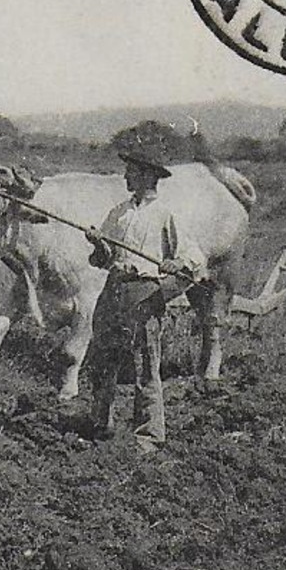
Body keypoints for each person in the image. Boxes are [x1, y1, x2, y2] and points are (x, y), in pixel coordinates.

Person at [84, 148, 204, 451]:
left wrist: (177, 264)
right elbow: (102, 259)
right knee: (102, 361)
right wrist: (99, 243)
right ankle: (101, 425)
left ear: (147, 176)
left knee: (144, 366)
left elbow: (193, 256)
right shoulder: (118, 212)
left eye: (131, 171)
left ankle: (148, 437)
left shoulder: (166, 214)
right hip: (113, 290)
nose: (125, 176)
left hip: (145, 293)